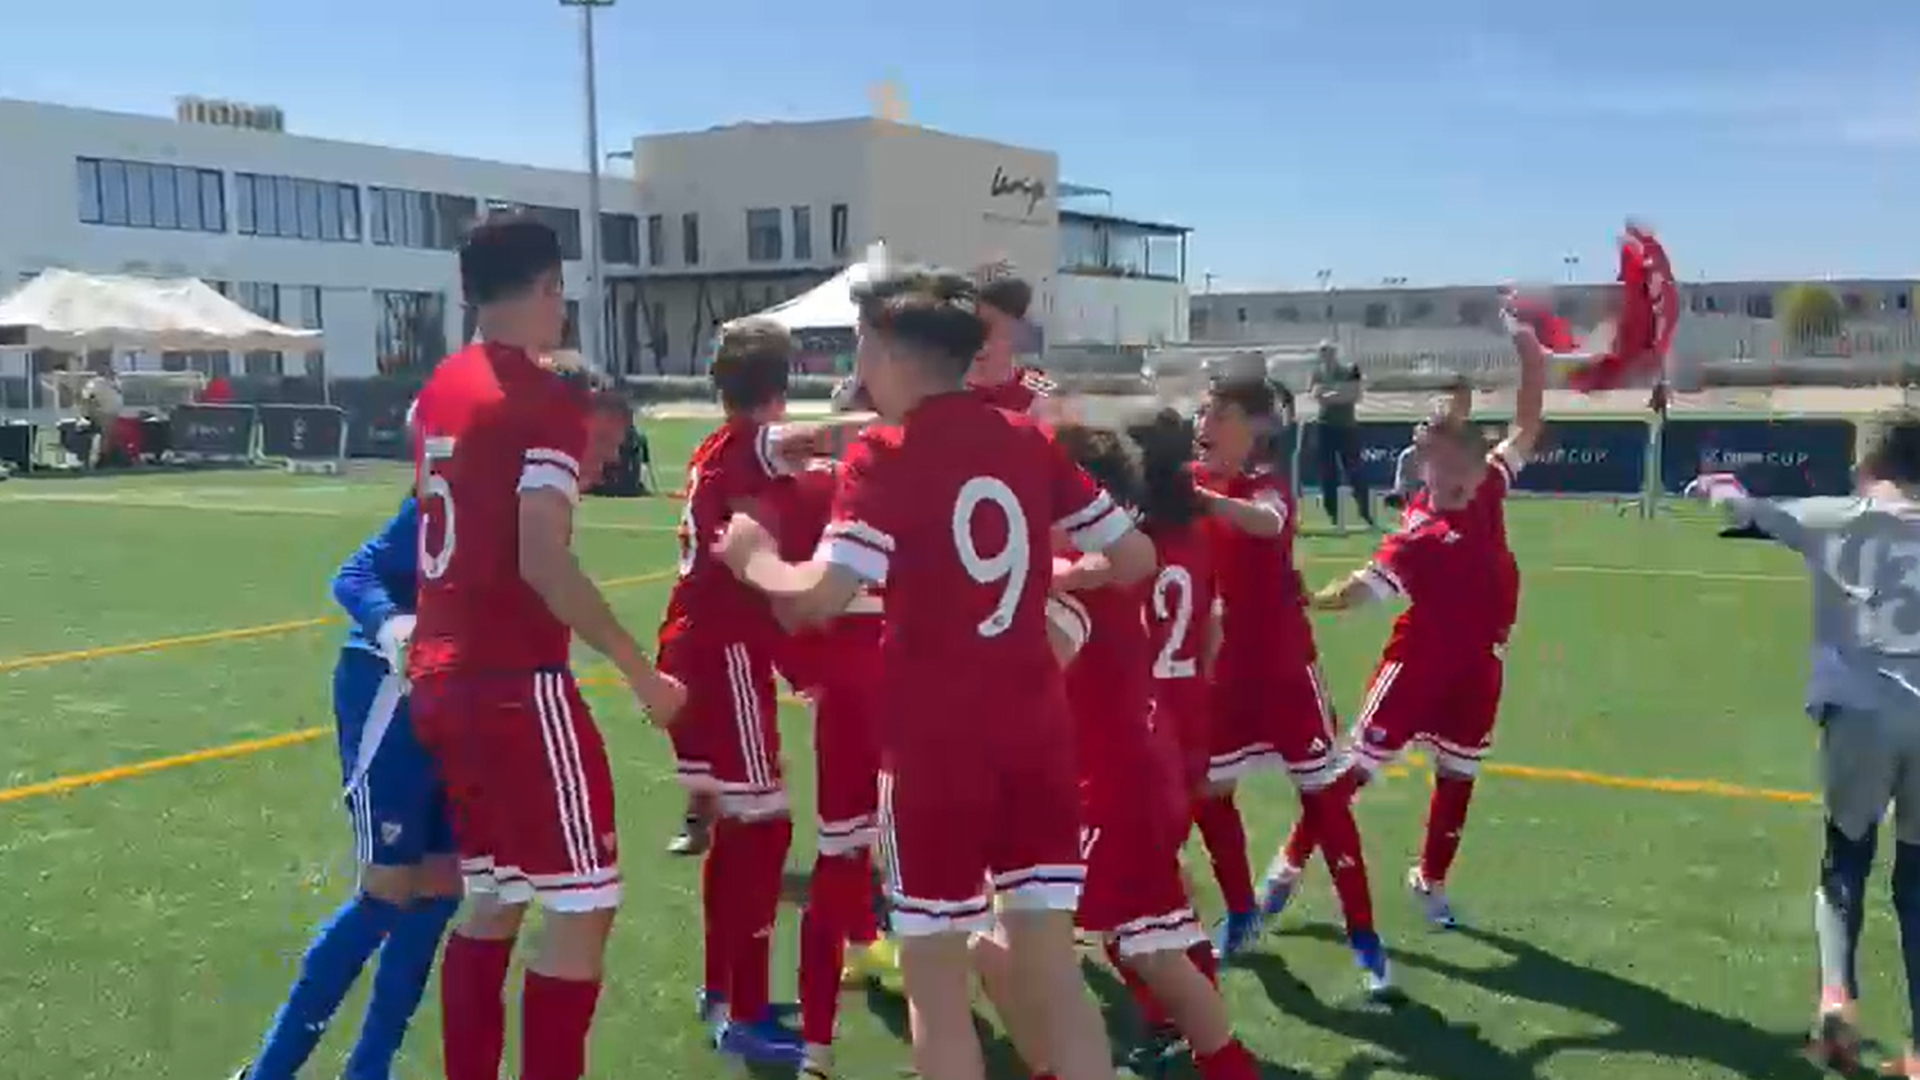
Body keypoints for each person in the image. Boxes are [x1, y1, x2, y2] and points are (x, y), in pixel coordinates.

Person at [714, 264, 1156, 1080]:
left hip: (936, 753)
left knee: (936, 986)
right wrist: (1057, 579)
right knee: (1055, 975)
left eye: (860, 348)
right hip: (1037, 741)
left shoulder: (885, 452)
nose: (857, 370)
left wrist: (756, 559)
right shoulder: (1029, 439)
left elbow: (820, 597)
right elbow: (1134, 555)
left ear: (887, 349)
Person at [408, 212, 683, 1080]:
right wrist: (643, 672)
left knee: (492, 898)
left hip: (441, 678)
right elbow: (541, 557)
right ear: (548, 289)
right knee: (584, 904)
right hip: (514, 683)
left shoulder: (437, 390)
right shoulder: (544, 401)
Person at [980, 420, 1258, 1080]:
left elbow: (1025, 686)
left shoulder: (1070, 587)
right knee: (1154, 950)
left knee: (1004, 946)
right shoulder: (1108, 564)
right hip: (1142, 771)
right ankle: (1230, 1068)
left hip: (1110, 789)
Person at [1288, 315, 1546, 930]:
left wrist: (1530, 356)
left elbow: (1528, 424)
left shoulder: (1486, 487)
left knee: (1459, 776)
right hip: (1420, 663)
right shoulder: (1419, 530)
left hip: (1480, 664)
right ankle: (1290, 865)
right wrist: (1312, 600)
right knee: (1355, 773)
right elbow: (1362, 590)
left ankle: (1429, 882)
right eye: (1430, 435)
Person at [1689, 412, 1920, 1076]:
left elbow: (1745, 512)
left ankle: (1838, 1004)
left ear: (1870, 466)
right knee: (1917, 884)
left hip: (1861, 715)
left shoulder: (1838, 516)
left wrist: (1717, 487)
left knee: (1844, 861)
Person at [229, 495, 457, 1080]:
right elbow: (355, 573)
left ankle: (369, 1069)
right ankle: (272, 1071)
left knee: (441, 886)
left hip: (467, 704)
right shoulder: (457, 486)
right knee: (387, 891)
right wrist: (395, 626)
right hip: (395, 695)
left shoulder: (542, 492)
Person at [1190, 376, 1386, 994]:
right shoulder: (1194, 476)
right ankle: (1241, 912)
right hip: (1222, 668)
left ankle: (1365, 938)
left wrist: (1203, 499)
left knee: (1323, 798)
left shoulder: (1266, 483)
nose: (1205, 417)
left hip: (1282, 669)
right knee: (1209, 791)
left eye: (1217, 410)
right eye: (1205, 407)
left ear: (1251, 425)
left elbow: (1267, 523)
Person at [656, 317, 812, 1064]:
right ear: (781, 386)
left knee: (738, 827)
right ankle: (743, 1010)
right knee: (766, 831)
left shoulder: (714, 448)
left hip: (697, 650)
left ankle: (724, 989)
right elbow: (806, 445)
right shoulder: (756, 442)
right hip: (724, 660)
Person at [764, 459, 898, 1080]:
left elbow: (792, 605)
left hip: (858, 684)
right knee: (954, 887)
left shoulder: (823, 486)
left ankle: (817, 1047)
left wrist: (806, 668)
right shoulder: (958, 463)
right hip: (929, 684)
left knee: (842, 863)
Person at [966, 272, 1057, 416]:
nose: (984, 339)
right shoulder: (951, 388)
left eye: (989, 326)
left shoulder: (1038, 386)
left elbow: (1061, 424)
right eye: (978, 326)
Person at [1308, 341, 1375, 530]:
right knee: (1328, 475)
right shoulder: (1318, 372)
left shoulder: (1349, 370)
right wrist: (1336, 394)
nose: (1326, 356)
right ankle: (1334, 516)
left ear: (1335, 353)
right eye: (1322, 353)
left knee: (1355, 472)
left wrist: (1330, 395)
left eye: (1329, 352)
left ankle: (1366, 513)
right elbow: (1316, 394)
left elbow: (1353, 395)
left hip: (1346, 427)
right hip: (1324, 427)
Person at [1386, 377, 1472, 511]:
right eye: (1421, 431)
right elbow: (1403, 485)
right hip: (1422, 510)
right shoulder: (1409, 456)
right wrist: (1397, 497)